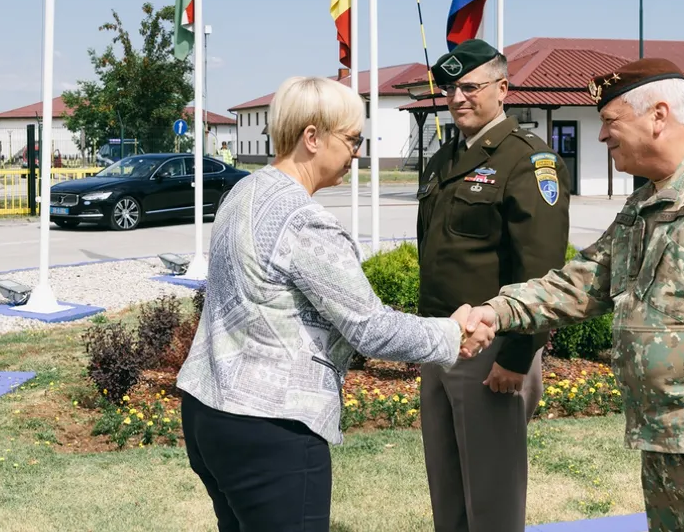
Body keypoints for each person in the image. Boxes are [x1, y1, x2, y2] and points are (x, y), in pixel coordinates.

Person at [462, 58, 684, 532]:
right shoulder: (649, 200)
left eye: (610, 121)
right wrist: (498, 311)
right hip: (676, 439)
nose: (601, 136)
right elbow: (586, 280)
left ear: (658, 115)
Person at [177, 75, 496, 532]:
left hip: (208, 411)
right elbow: (370, 327)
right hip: (272, 428)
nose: (357, 152)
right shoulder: (305, 222)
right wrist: (454, 334)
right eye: (352, 139)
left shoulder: (243, 192)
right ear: (312, 137)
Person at [415, 38, 571, 532]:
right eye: (450, 89)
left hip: (490, 351)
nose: (458, 97)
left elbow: (541, 270)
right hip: (439, 343)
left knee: (492, 494)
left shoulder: (527, 161)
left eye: (471, 87)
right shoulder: (444, 160)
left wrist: (517, 356)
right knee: (447, 486)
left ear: (503, 88)